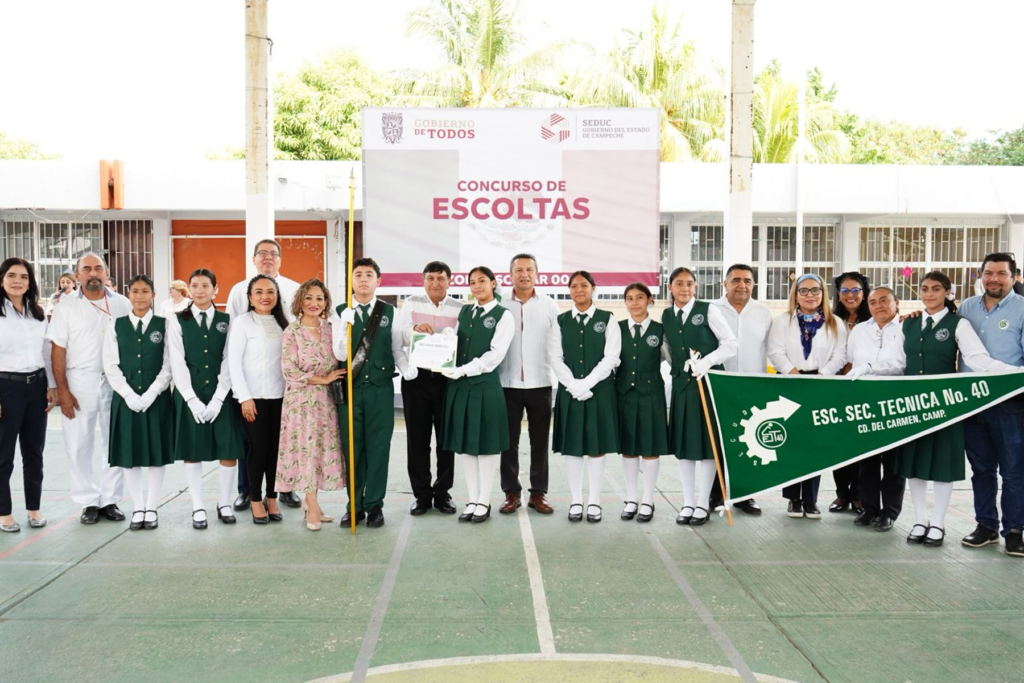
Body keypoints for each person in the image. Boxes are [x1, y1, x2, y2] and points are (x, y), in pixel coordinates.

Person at [897, 270, 1019, 549]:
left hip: (944, 405)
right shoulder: (907, 324)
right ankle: (919, 520)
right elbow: (895, 363)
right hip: (912, 406)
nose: (929, 294)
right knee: (914, 465)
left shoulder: (958, 324)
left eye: (936, 289)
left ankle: (938, 523)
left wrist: (1015, 374)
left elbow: (978, 359)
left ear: (948, 293)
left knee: (942, 464)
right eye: (925, 288)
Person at [48, 252, 131, 524]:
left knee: (115, 441)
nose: (93, 273)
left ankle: (110, 499)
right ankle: (88, 501)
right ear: (77, 274)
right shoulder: (66, 307)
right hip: (79, 381)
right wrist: (63, 390)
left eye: (98, 268)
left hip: (115, 382)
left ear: (106, 273)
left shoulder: (121, 303)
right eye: (87, 269)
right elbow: (58, 350)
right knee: (78, 442)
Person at [226, 239, 302, 512]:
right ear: (254, 258)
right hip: (251, 391)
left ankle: (282, 490)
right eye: (262, 254)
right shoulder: (238, 292)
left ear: (281, 260)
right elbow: (233, 348)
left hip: (282, 391)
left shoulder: (294, 289)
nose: (268, 258)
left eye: (273, 254)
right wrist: (241, 393)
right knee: (253, 445)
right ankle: (247, 492)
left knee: (281, 444)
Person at [956, 254, 1024, 557]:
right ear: (980, 275)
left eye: (1000, 274)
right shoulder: (967, 307)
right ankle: (986, 526)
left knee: (1013, 471)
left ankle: (1014, 530)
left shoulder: (1022, 309)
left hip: (1009, 404)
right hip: (972, 402)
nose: (993, 279)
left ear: (1014, 276)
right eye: (988, 273)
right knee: (981, 469)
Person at [166, 268, 243, 530]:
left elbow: (229, 359)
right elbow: (177, 361)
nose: (200, 291)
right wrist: (191, 399)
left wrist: (220, 397)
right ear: (189, 289)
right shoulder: (177, 320)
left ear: (215, 289)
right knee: (192, 450)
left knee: (228, 449)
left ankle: (224, 502)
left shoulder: (227, 319)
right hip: (191, 393)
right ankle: (198, 506)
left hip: (222, 392)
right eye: (195, 286)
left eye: (206, 286)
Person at [333, 257, 408, 529]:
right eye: (358, 274)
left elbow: (397, 347)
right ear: (350, 280)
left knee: (378, 449)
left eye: (368, 275)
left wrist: (407, 367)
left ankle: (374, 505)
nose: (363, 279)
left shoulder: (390, 312)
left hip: (380, 389)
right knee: (352, 450)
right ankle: (354, 505)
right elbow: (339, 354)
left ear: (379, 281)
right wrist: (343, 327)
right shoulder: (340, 311)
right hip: (350, 392)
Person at [767, 273, 847, 519]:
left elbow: (840, 355)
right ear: (796, 294)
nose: (810, 295)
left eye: (815, 290)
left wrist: (821, 376)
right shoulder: (783, 321)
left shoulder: (835, 323)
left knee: (814, 444)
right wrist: (794, 375)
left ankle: (811, 500)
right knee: (791, 441)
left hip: (821, 384)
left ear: (823, 294)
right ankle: (793, 499)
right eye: (804, 291)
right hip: (791, 382)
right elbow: (775, 351)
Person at [662, 267, 737, 526]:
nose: (685, 289)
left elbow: (730, 343)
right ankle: (687, 502)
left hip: (708, 384)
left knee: (706, 446)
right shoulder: (667, 315)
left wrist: (707, 362)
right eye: (679, 284)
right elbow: (668, 349)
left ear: (696, 287)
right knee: (686, 447)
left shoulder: (708, 310)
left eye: (690, 284)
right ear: (669, 286)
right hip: (682, 386)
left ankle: (703, 503)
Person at [440, 266, 514, 523]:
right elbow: (456, 342)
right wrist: (446, 341)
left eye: (482, 281)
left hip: (484, 387)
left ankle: (484, 500)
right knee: (466, 446)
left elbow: (495, 355)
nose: (477, 286)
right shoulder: (465, 311)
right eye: (472, 282)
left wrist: (463, 370)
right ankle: (472, 499)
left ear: (493, 283)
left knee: (487, 445)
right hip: (460, 388)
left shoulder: (504, 315)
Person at [102, 275, 174, 531]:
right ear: (128, 294)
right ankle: (138, 507)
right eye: (135, 291)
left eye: (145, 291)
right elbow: (110, 364)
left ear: (153, 295)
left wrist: (153, 392)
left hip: (158, 397)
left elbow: (169, 364)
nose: (140, 296)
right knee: (129, 454)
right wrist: (129, 395)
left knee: (156, 454)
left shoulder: (165, 324)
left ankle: (152, 507)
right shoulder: (115, 324)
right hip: (125, 398)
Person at [547, 271, 621, 522]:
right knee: (573, 448)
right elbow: (554, 358)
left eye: (584, 285)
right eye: (574, 286)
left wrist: (587, 383)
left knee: (597, 448)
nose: (579, 290)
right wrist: (573, 385)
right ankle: (576, 500)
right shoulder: (560, 321)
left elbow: (611, 357)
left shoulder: (607, 319)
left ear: (593, 288)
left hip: (599, 391)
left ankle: (595, 501)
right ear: (569, 291)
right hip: (571, 392)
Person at [395, 261, 464, 516]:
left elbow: (463, 340)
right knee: (418, 440)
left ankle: (443, 493)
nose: (435, 283)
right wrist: (414, 329)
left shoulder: (460, 307)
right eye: (430, 278)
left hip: (447, 379)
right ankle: (422, 495)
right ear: (423, 280)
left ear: (449, 281)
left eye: (441, 278)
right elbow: (398, 336)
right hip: (417, 379)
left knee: (446, 440)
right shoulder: (411, 303)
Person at [277, 278, 346, 531]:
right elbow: (289, 371)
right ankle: (312, 505)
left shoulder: (331, 329)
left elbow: (340, 357)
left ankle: (310, 501)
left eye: (319, 298)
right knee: (305, 451)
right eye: (308, 298)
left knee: (319, 451)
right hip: (300, 401)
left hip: (326, 402)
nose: (314, 303)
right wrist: (323, 378)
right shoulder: (291, 332)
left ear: (326, 302)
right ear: (300, 302)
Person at [498, 254, 559, 516]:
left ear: (537, 273)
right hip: (506, 383)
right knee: (507, 442)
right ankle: (511, 492)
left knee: (539, 442)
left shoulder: (549, 305)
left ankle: (538, 494)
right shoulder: (499, 304)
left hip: (540, 382)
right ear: (510, 274)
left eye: (529, 269)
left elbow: (557, 344)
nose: (524, 274)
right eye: (519, 270)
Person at [708, 264, 772, 516]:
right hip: (720, 386)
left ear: (753, 285)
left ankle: (745, 494)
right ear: (724, 284)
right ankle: (715, 494)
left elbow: (773, 350)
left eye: (747, 280)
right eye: (735, 280)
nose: (741, 285)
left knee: (748, 443)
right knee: (718, 442)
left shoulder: (763, 313)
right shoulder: (711, 310)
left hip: (752, 388)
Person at [0, 258, 57, 533]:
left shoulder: (37, 312)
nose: (17, 281)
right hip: (5, 387)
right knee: (3, 455)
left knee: (34, 453)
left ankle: (34, 508)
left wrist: (52, 386)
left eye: (23, 276)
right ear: (2, 279)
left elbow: (46, 353)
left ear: (30, 282)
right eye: (11, 276)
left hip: (36, 386)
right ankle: (4, 513)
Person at [843, 286, 906, 532]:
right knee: (866, 460)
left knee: (893, 462)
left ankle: (889, 512)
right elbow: (850, 362)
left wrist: (869, 367)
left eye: (884, 300)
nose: (878, 305)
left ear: (896, 302)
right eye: (873, 302)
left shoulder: (906, 328)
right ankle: (869, 509)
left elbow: (901, 365)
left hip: (893, 401)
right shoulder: (859, 331)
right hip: (864, 401)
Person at [228, 275, 288, 524]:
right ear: (250, 298)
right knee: (258, 449)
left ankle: (272, 497)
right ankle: (255, 499)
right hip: (252, 398)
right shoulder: (242, 323)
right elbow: (233, 362)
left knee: (276, 451)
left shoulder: (285, 323)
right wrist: (244, 397)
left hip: (281, 397)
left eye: (271, 292)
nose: (265, 296)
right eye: (259, 292)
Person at [615, 282, 668, 523]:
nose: (634, 302)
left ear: (649, 300)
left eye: (639, 297)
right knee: (628, 449)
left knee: (649, 448)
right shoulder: (616, 329)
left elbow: (672, 358)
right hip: (624, 394)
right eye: (629, 298)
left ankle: (648, 499)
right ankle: (631, 498)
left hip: (651, 395)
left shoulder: (660, 330)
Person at [829, 272, 871, 515]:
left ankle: (859, 496)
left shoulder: (874, 319)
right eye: (844, 291)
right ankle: (842, 494)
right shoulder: (831, 319)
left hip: (862, 388)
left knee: (860, 445)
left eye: (855, 290)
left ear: (864, 292)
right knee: (838, 445)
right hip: (836, 389)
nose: (850, 295)